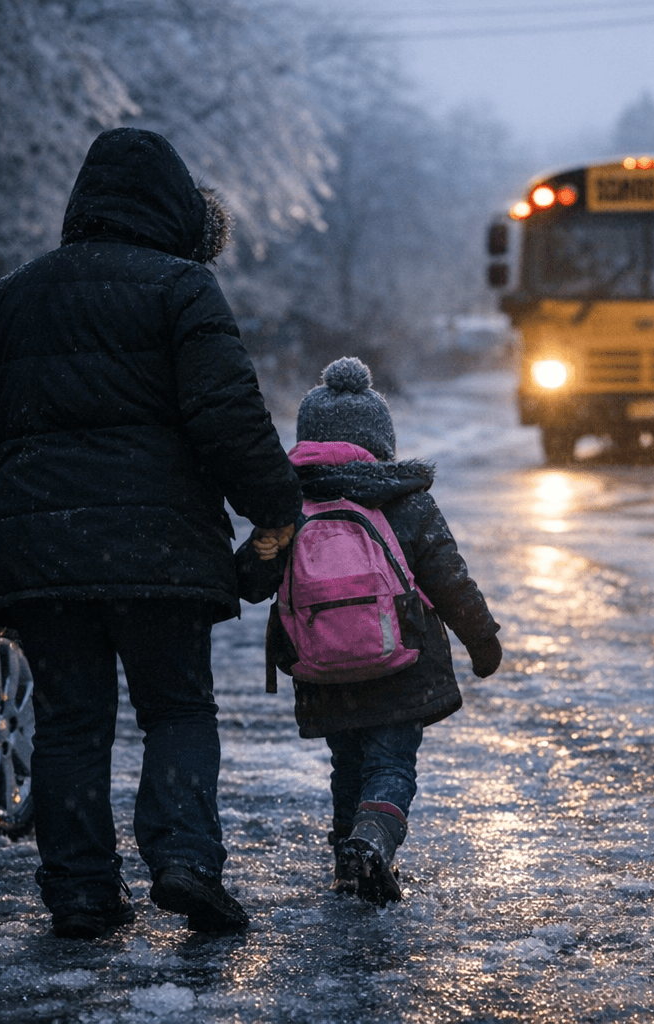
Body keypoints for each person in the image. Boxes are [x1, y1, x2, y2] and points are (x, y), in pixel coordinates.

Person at [0, 128, 302, 940]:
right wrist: (276, 507)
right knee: (177, 707)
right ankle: (185, 859)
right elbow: (226, 419)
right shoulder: (182, 289)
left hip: (44, 556)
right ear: (175, 209)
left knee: (73, 723)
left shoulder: (9, 298)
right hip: (159, 554)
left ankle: (80, 891)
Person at [239, 357, 502, 906]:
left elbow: (250, 581)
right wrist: (481, 640)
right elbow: (449, 578)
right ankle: (371, 842)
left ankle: (347, 863)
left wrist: (265, 548)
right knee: (391, 765)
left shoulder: (290, 503)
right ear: (381, 440)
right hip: (402, 660)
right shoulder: (404, 499)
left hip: (324, 667)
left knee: (349, 764)